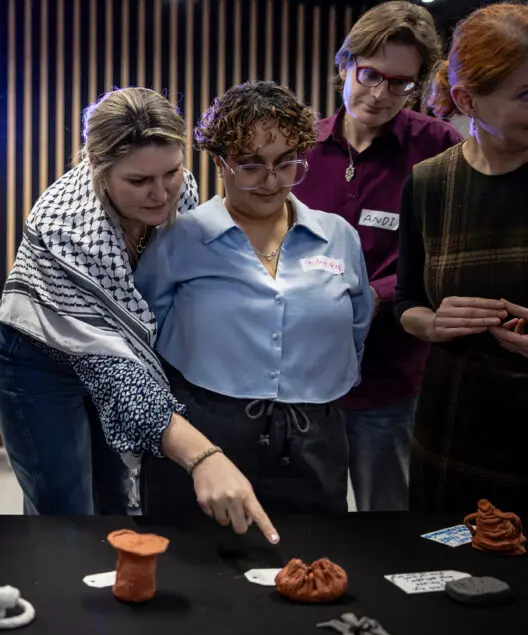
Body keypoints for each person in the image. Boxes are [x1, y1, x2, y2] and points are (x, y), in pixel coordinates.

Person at [0, 87, 279, 542]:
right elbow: (113, 372)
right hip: (36, 357)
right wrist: (203, 456)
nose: (161, 194)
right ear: (97, 167)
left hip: (115, 356)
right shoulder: (67, 228)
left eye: (171, 172)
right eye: (140, 181)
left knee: (118, 499)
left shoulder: (182, 190)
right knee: (66, 508)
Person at [135, 81, 374, 516]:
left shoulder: (338, 236)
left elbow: (356, 329)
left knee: (314, 550)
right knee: (192, 552)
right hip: (205, 426)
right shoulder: (179, 238)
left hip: (314, 434)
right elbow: (145, 334)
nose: (271, 181)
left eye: (286, 163)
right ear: (219, 162)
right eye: (250, 165)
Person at [292, 2, 462, 512]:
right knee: (309, 519)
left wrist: (374, 295)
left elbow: (446, 253)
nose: (380, 94)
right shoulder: (302, 148)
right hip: (306, 377)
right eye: (369, 74)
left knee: (387, 519)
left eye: (400, 83)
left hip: (391, 374)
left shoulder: (438, 147)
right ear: (346, 64)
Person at [395, 2, 528, 514]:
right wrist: (432, 323)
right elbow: (406, 300)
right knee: (443, 555)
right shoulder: (430, 183)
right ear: (466, 99)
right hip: (453, 426)